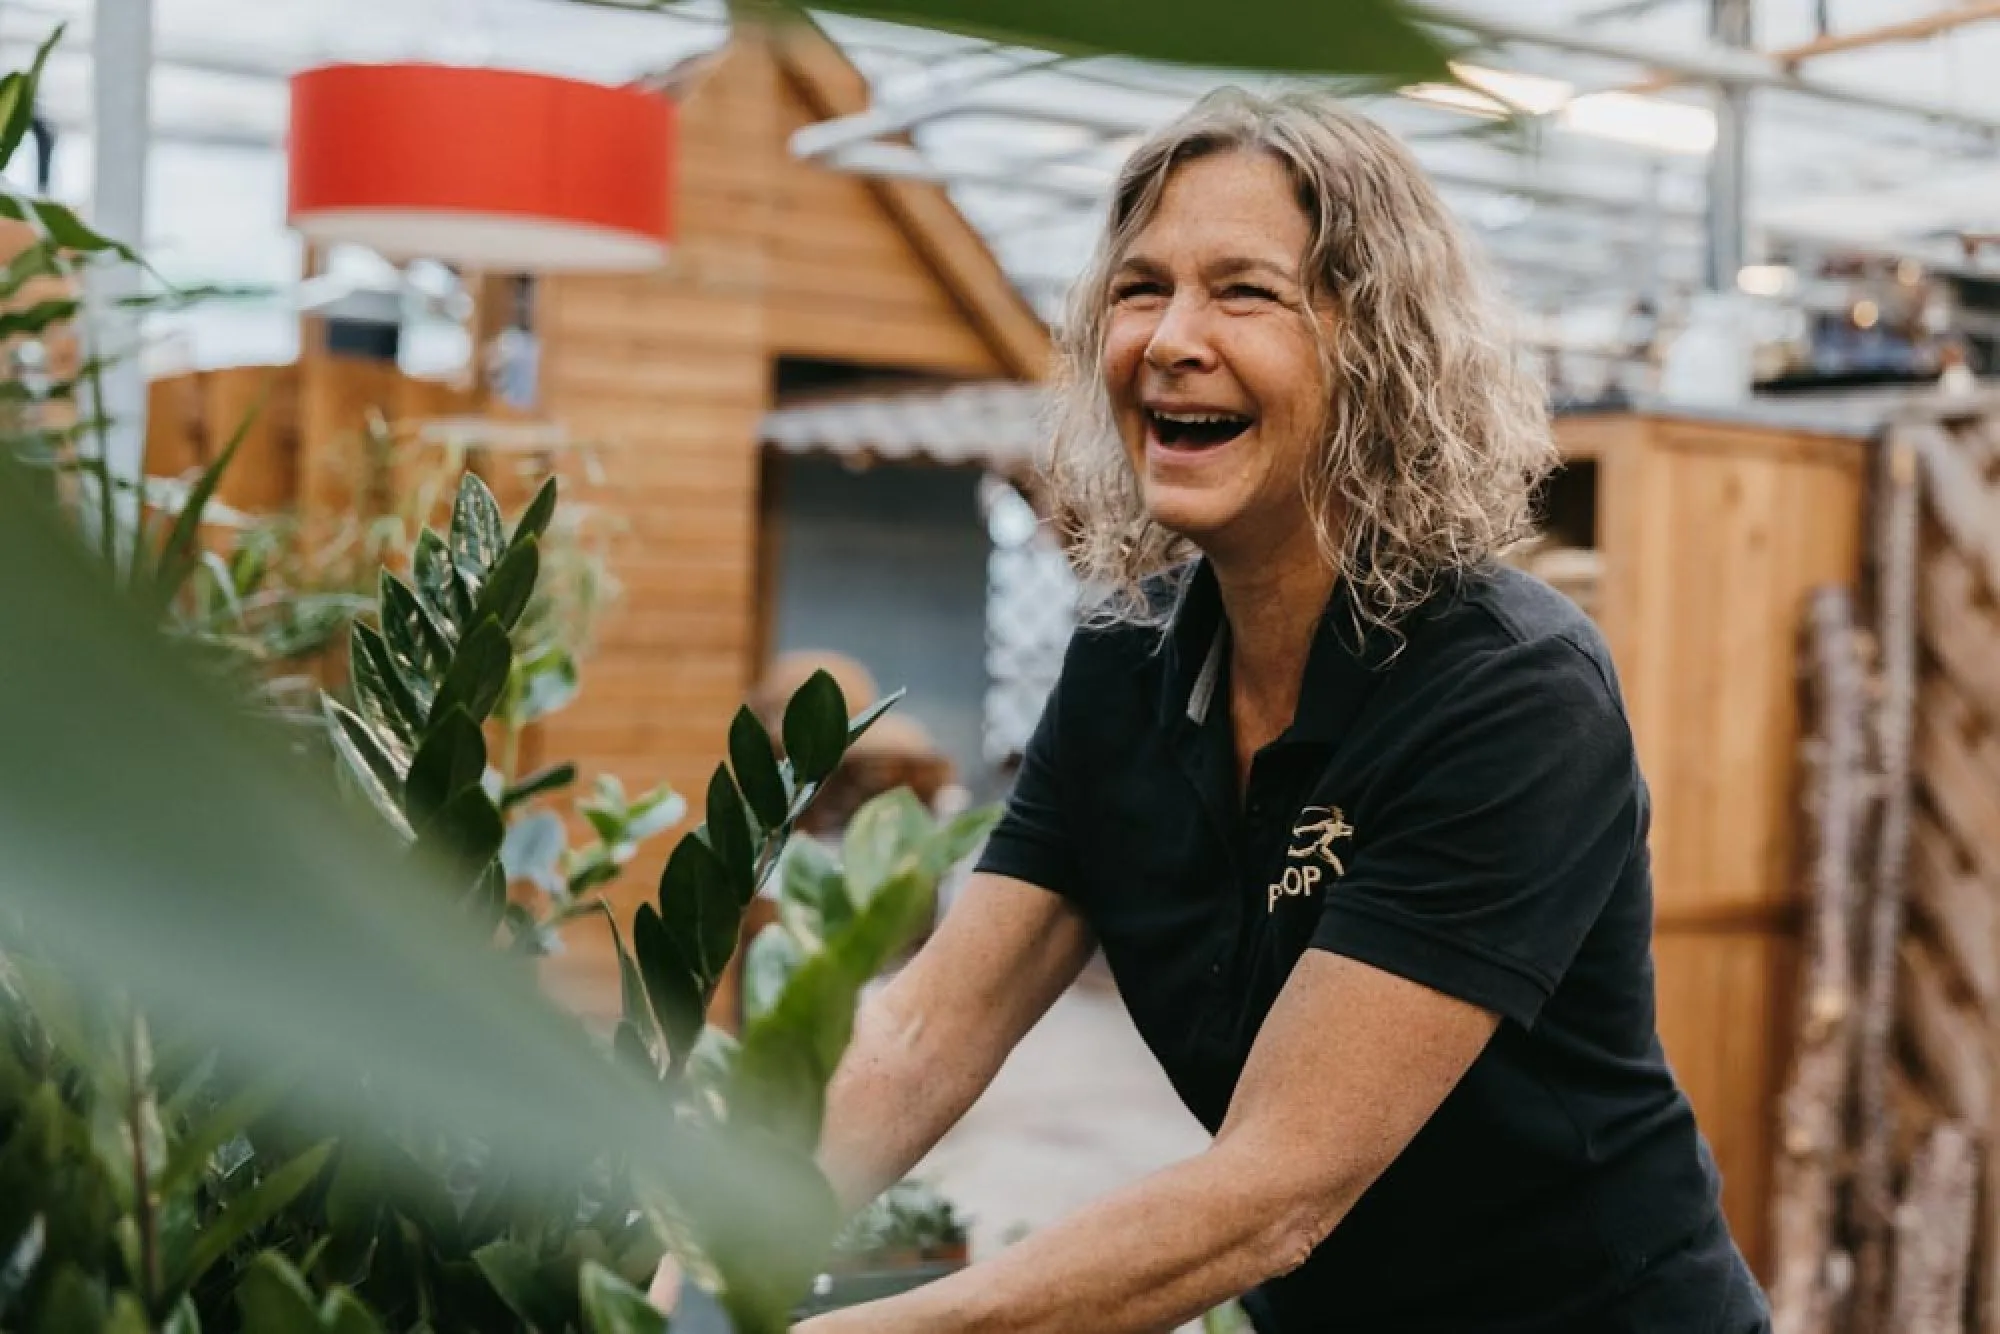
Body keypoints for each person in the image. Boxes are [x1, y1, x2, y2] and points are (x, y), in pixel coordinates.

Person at [778, 87, 1770, 1332]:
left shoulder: (1507, 691)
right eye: (1140, 288)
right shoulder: (1124, 668)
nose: (1168, 338)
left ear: (1376, 348)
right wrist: (687, 1244)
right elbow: (927, 1026)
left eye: (1241, 290)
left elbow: (1276, 1187)